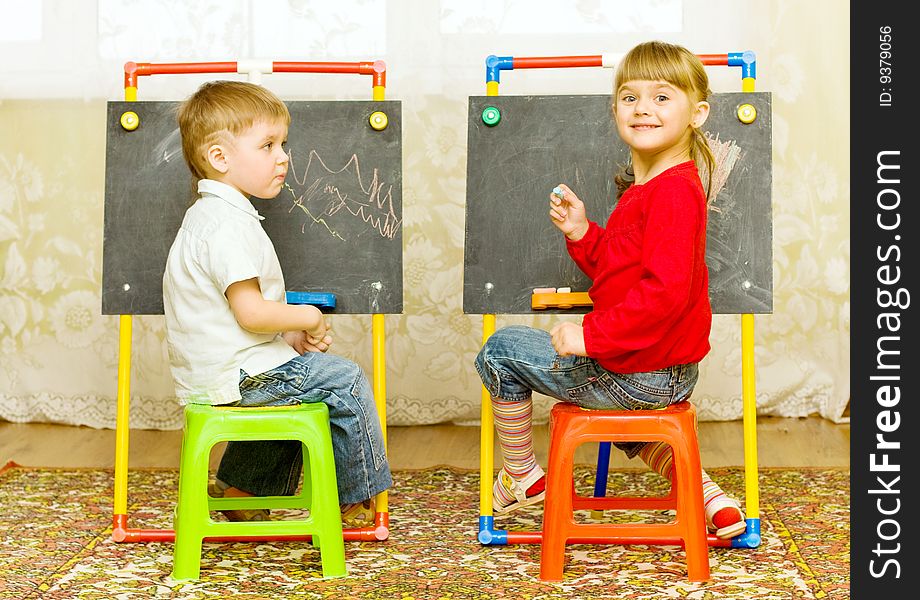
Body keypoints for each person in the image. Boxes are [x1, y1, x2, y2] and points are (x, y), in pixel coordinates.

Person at [474, 40, 745, 539]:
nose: (643, 108)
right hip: (662, 374)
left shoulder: (673, 193)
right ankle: (709, 497)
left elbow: (664, 293)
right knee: (629, 428)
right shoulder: (650, 190)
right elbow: (621, 273)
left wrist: (590, 338)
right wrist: (582, 232)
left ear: (698, 113)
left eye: (662, 97)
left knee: (499, 350)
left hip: (639, 369)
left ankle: (520, 474)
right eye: (629, 97)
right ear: (616, 108)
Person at [163, 80, 392, 524]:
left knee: (299, 390)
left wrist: (285, 337)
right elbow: (249, 313)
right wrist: (306, 316)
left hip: (226, 371)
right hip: (240, 376)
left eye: (282, 143)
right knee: (343, 379)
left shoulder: (211, 216)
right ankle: (352, 492)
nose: (283, 156)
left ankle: (244, 487)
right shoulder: (227, 225)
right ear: (220, 158)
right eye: (267, 145)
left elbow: (232, 315)